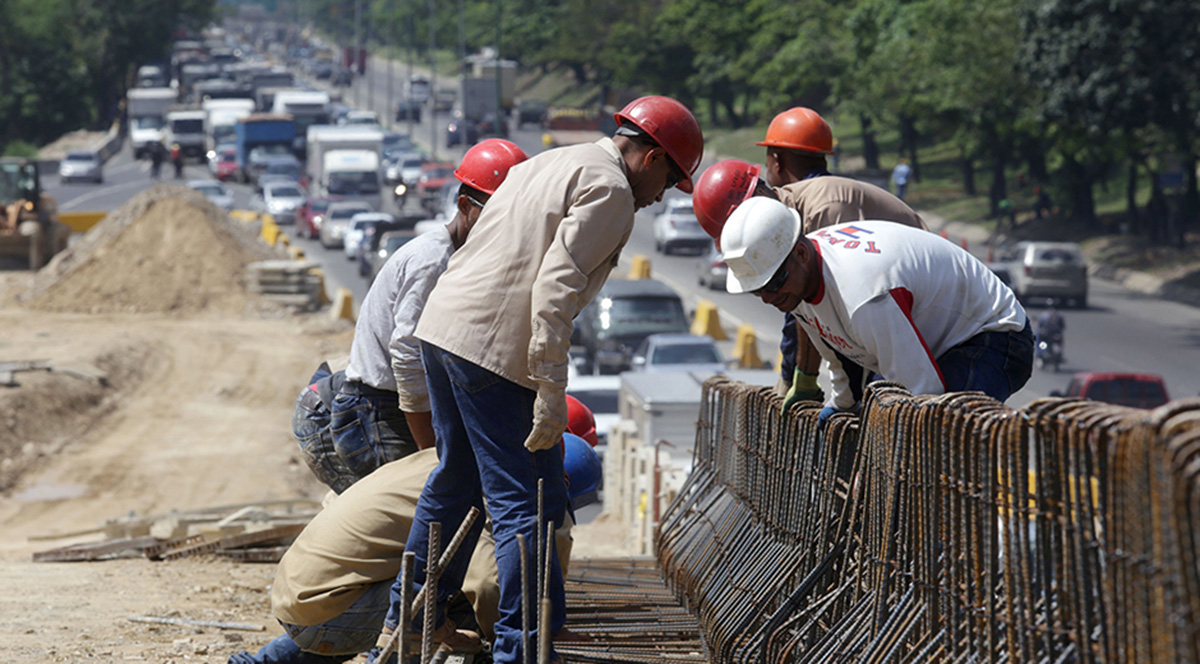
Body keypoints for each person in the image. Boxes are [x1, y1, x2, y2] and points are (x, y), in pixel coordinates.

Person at [384, 95, 703, 664]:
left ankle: (407, 617)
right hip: (492, 349)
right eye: (667, 183)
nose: (659, 199)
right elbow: (555, 288)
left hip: (444, 330)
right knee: (523, 504)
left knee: (457, 476)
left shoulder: (550, 162)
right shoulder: (610, 190)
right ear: (652, 158)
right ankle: (521, 649)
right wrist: (550, 390)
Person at [226, 433, 602, 664]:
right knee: (453, 597)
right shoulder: (493, 490)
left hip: (303, 598)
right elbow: (489, 586)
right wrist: (520, 646)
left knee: (423, 586)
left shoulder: (454, 459)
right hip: (327, 610)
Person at [295, 139, 529, 494]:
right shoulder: (433, 261)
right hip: (376, 414)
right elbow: (407, 357)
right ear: (465, 205)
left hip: (403, 409)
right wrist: (430, 453)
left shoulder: (472, 260)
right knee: (423, 508)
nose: (505, 229)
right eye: (496, 215)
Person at [693, 107, 925, 410]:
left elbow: (815, 300)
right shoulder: (800, 208)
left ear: (775, 160)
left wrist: (799, 376)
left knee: (892, 409)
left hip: (915, 310)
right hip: (889, 314)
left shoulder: (825, 208)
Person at [720, 197, 1033, 421]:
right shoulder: (798, 284)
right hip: (928, 345)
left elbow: (921, 394)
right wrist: (842, 405)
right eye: (757, 289)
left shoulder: (865, 297)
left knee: (941, 433)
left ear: (800, 253)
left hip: (993, 337)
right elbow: (839, 352)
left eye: (773, 283)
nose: (768, 297)